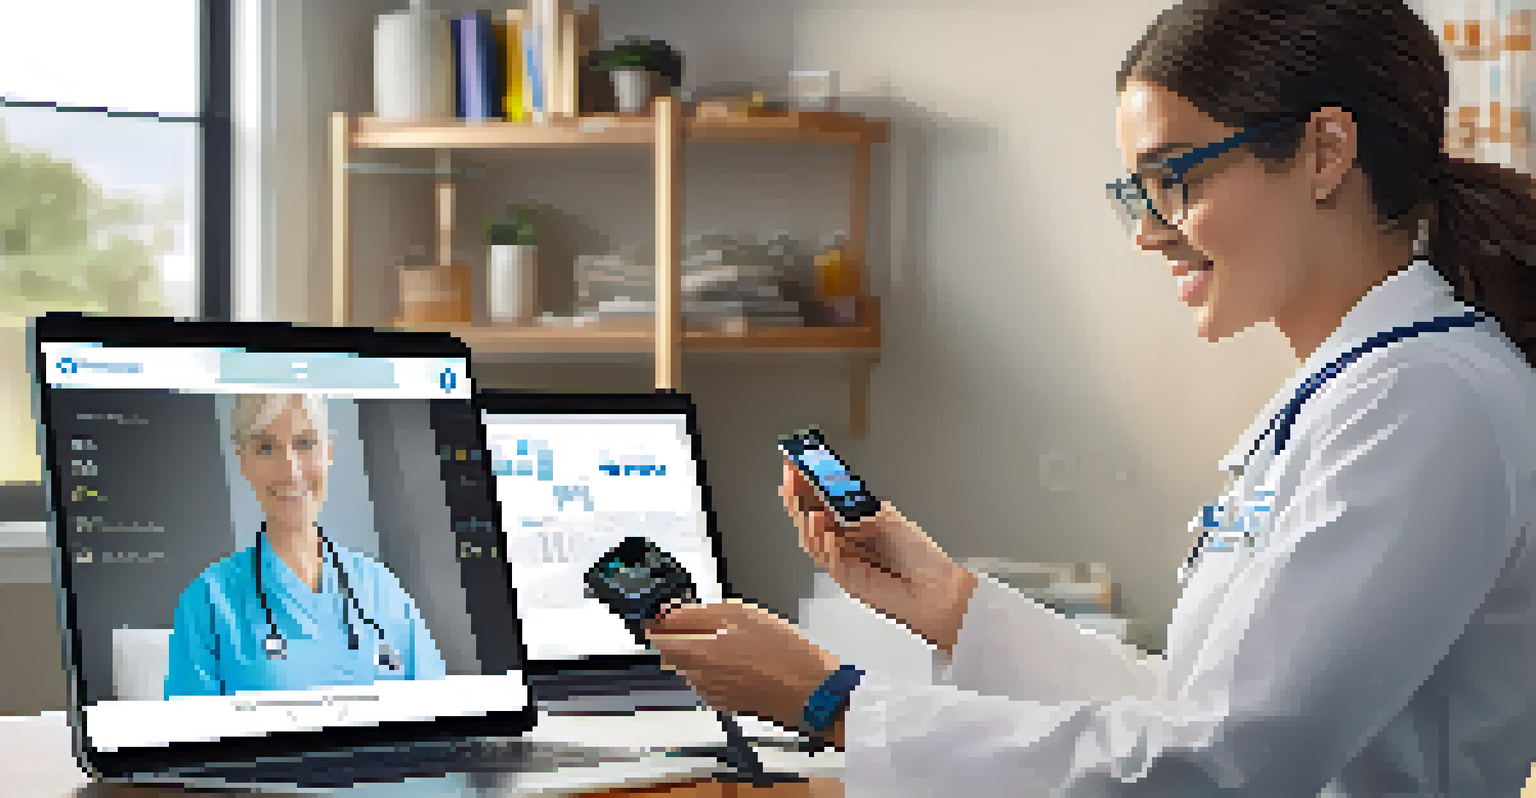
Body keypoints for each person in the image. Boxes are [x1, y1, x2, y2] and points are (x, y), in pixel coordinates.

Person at [643, 1, 1536, 794]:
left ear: (1325, 152)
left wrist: (830, 701)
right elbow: (1198, 716)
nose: (1149, 233)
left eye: (1174, 179)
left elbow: (1227, 763)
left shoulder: (1425, 400)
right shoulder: (1364, 392)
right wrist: (953, 605)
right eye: (1136, 193)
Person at [164, 393, 447, 698]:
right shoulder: (208, 602)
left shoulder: (383, 588)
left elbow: (442, 716)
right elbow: (192, 740)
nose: (291, 470)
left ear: (329, 451)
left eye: (305, 443)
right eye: (266, 448)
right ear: (244, 463)